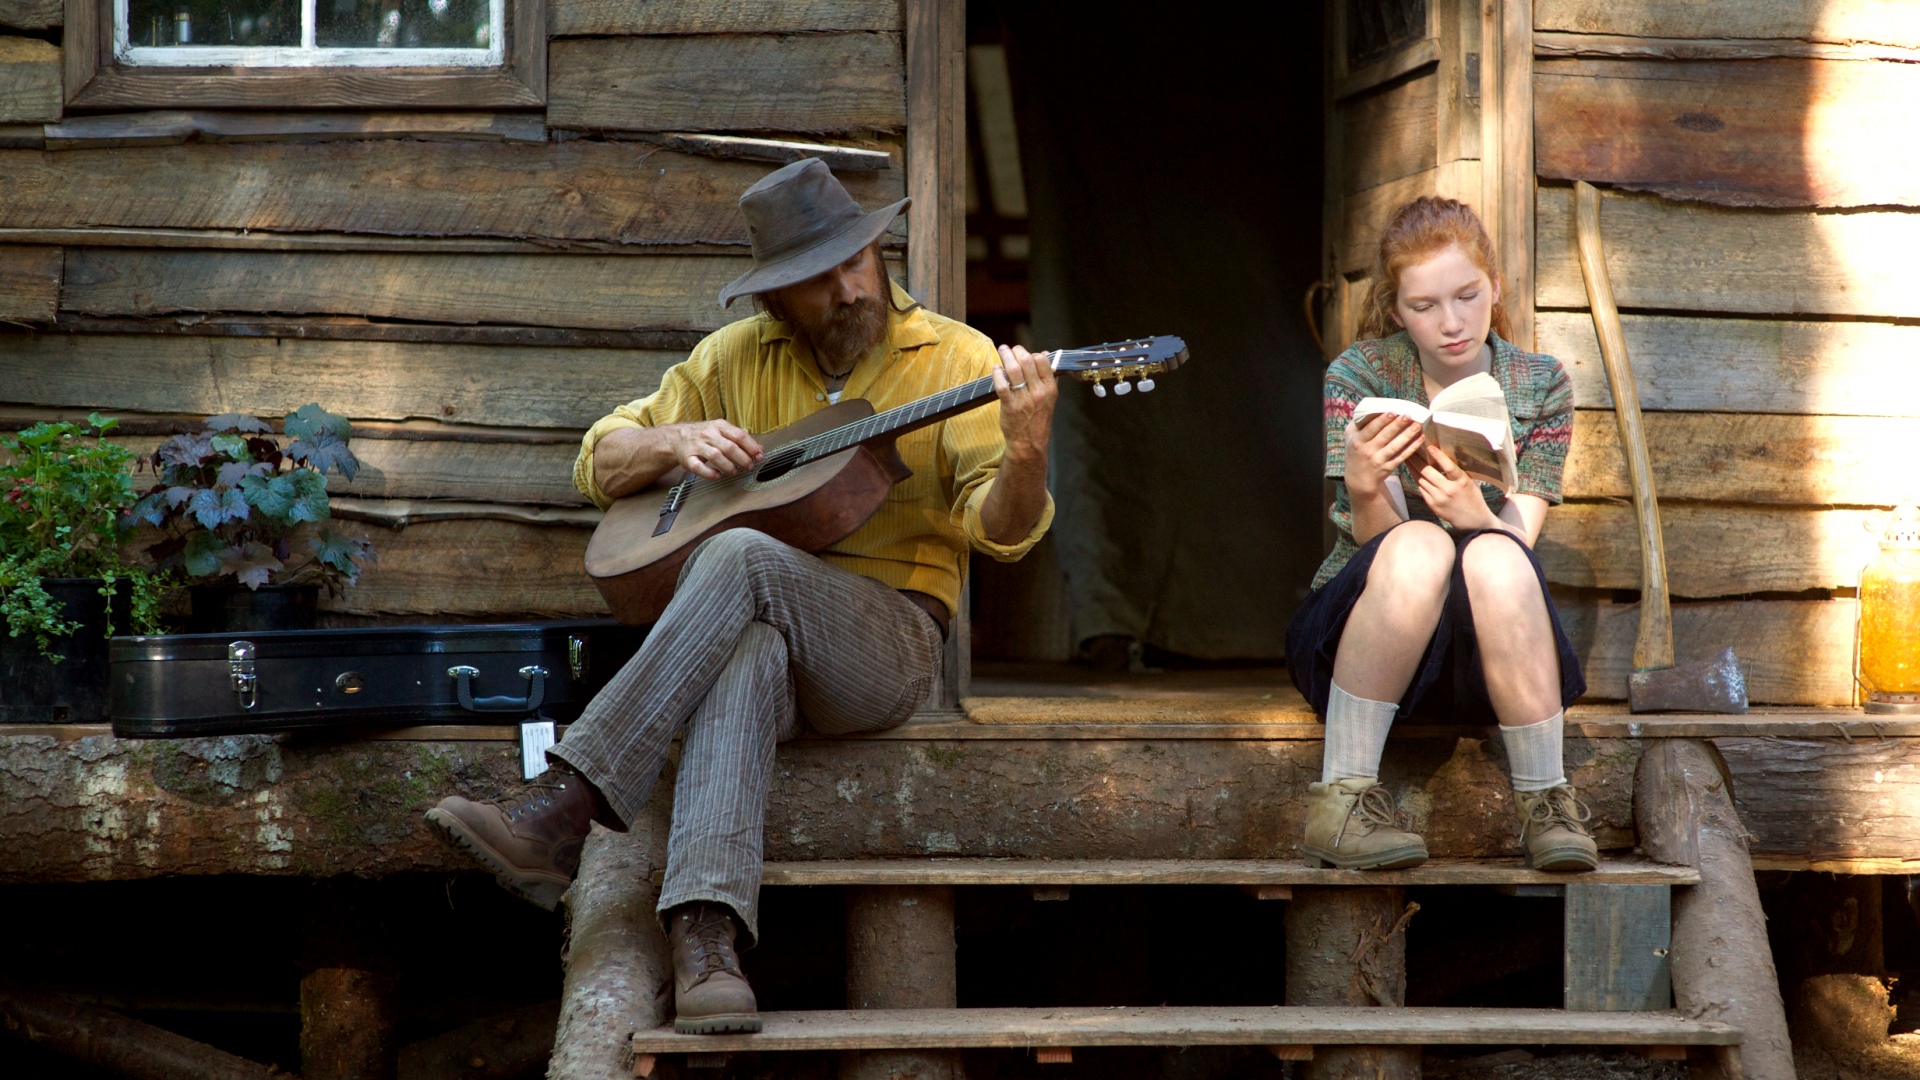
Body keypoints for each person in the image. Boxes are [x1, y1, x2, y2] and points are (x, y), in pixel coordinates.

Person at [423, 159, 1058, 1034]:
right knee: (746, 648)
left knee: (740, 553)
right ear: (773, 297)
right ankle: (705, 938)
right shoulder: (731, 358)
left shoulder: (958, 358)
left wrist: (1026, 452)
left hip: (888, 642)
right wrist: (673, 443)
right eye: (817, 278)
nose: (848, 289)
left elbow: (1003, 531)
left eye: (856, 262)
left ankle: (567, 800)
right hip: (762, 636)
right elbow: (600, 458)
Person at [1286, 196, 1597, 874]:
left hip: (1485, 653)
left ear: (1496, 287)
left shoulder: (1542, 384)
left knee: (1494, 554)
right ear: (1397, 309)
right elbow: (1380, 550)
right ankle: (1342, 801)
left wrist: (1474, 515)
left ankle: (1546, 801)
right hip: (1364, 644)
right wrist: (1365, 487)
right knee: (1421, 545)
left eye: (1467, 296)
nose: (1451, 323)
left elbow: (1521, 537)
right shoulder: (1359, 374)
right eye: (1424, 306)